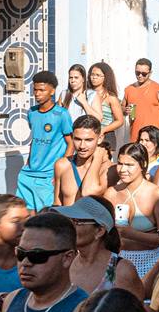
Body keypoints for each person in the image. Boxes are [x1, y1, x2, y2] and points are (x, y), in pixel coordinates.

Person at [55, 196, 146, 299]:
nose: (70, 227)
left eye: (77, 222)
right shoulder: (66, 263)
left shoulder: (122, 270)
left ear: (99, 231)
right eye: (70, 221)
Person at [105, 142, 159, 279]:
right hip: (118, 260)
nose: (123, 169)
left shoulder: (157, 195)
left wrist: (131, 234)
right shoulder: (111, 193)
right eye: (120, 163)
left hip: (151, 262)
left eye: (129, 165)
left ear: (142, 165)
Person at [17, 70, 75, 210]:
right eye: (35, 90)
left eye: (42, 90)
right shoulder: (31, 112)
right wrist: (28, 163)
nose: (37, 93)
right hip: (29, 172)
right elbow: (36, 138)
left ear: (52, 91)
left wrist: (60, 172)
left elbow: (71, 144)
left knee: (45, 214)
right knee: (26, 212)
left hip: (48, 174)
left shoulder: (61, 114)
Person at [57, 116, 111, 206]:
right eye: (77, 139)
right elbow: (57, 203)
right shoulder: (62, 165)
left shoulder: (109, 169)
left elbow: (89, 192)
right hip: (66, 219)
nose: (82, 146)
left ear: (100, 139)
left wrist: (97, 158)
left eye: (88, 140)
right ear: (72, 137)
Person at [124, 57, 159, 143]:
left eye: (144, 73)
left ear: (150, 73)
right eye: (137, 72)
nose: (140, 75)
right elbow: (121, 109)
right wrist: (125, 110)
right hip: (135, 137)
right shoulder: (129, 89)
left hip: (152, 137)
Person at [80, 62, 127, 142]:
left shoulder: (110, 97)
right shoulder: (84, 93)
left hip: (105, 136)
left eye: (98, 75)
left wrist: (103, 130)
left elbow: (119, 121)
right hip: (86, 135)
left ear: (105, 77)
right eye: (92, 74)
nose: (94, 77)